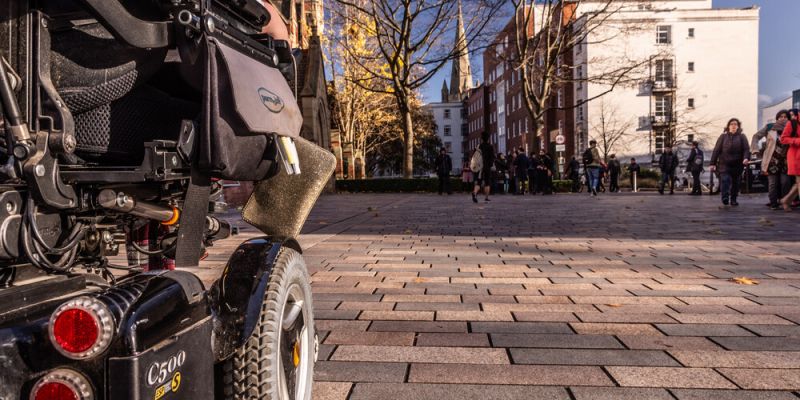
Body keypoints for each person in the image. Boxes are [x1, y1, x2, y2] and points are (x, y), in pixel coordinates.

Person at [710, 118, 750, 206]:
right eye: (731, 124)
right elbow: (716, 150)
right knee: (725, 180)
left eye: (735, 124)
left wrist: (746, 158)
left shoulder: (742, 136)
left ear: (738, 126)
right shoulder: (723, 137)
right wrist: (712, 163)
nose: (733, 126)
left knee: (736, 183)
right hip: (724, 164)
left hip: (737, 164)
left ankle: (733, 200)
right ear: (728, 126)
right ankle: (725, 197)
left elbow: (746, 149)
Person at [762, 110, 790, 209]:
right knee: (773, 183)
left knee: (785, 182)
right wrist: (754, 150)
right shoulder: (770, 128)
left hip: (785, 161)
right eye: (780, 117)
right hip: (772, 161)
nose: (783, 118)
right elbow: (756, 136)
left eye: (785, 117)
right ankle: (773, 203)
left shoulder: (791, 129)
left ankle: (784, 201)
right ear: (777, 118)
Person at [780, 112, 800, 211]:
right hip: (796, 156)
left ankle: (786, 200)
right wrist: (797, 141)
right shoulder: (792, 123)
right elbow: (783, 139)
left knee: (798, 183)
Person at [472, 132, 495, 203]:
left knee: (479, 182)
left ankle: (475, 192)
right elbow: (492, 158)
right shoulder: (490, 147)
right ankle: (486, 197)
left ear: (482, 139)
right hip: (487, 167)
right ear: (488, 139)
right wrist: (490, 165)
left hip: (479, 167)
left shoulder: (479, 146)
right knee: (487, 182)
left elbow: (474, 156)